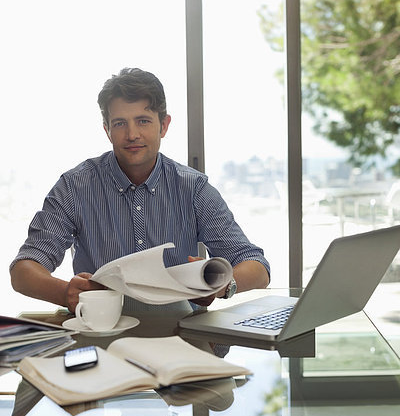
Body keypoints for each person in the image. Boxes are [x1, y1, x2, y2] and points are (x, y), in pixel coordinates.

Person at [10, 68, 270, 314]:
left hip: (183, 338)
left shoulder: (194, 188)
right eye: (120, 123)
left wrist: (220, 285)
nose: (132, 134)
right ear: (107, 130)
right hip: (101, 334)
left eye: (143, 121)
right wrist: (65, 292)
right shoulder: (74, 187)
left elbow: (257, 266)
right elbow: (23, 271)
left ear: (164, 126)